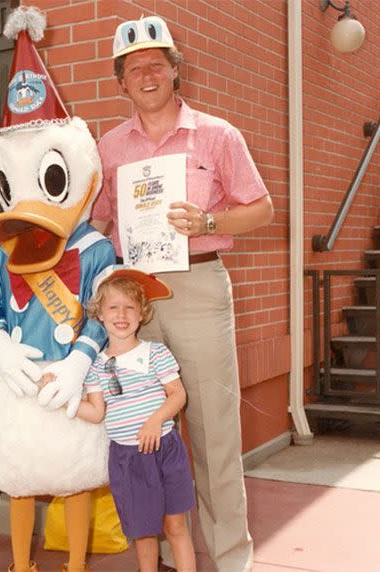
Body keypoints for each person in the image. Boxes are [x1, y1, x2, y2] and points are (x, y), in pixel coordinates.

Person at [90, 16, 274, 572]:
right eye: (132, 68)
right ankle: (175, 554)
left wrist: (209, 219)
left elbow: (261, 209)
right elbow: (96, 224)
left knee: (214, 433)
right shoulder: (108, 148)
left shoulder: (217, 135)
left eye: (155, 63)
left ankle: (229, 559)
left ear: (175, 69)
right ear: (120, 82)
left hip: (198, 284)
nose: (145, 74)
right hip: (133, 296)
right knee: (144, 426)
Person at [40, 268, 195, 572]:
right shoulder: (97, 366)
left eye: (130, 307)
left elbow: (177, 395)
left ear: (142, 315)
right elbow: (96, 413)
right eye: (113, 307)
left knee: (176, 526)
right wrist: (58, 396)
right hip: (127, 459)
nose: (121, 315)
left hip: (165, 450)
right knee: (143, 533)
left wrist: (155, 420)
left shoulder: (156, 353)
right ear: (99, 314)